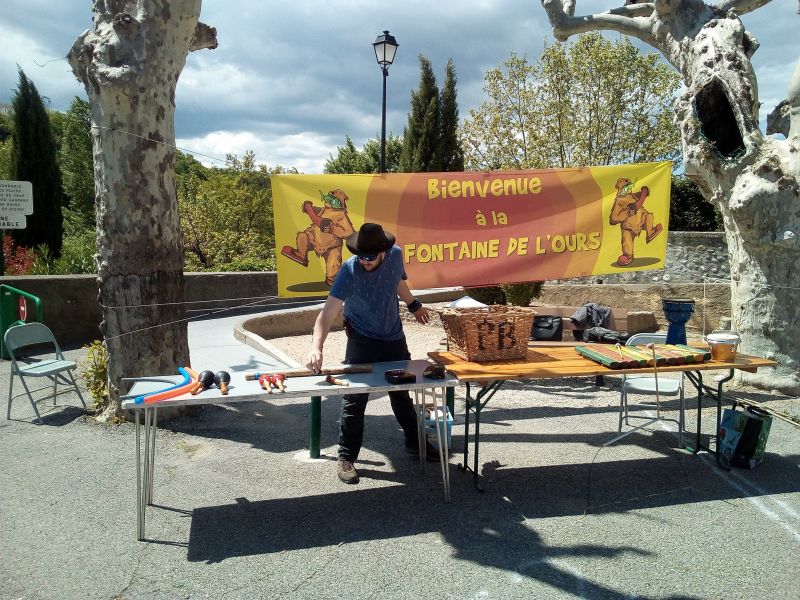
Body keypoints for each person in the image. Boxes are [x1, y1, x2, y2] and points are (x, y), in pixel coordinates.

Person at [306, 222, 435, 484]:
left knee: (401, 394)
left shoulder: (396, 255)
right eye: (360, 256)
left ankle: (415, 443)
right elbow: (327, 312)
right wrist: (315, 348)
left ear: (383, 252)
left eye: (369, 257)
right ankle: (346, 457)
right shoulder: (349, 271)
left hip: (393, 337)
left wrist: (414, 304)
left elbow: (397, 281)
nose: (364, 261)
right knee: (355, 400)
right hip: (361, 340)